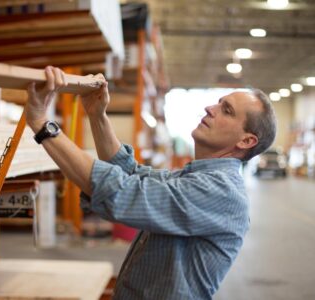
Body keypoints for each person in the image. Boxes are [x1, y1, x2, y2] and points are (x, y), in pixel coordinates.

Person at [25, 66, 277, 300]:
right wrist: (97, 114)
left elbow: (123, 192)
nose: (211, 108)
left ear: (246, 141)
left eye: (227, 110)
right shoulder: (194, 177)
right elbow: (130, 173)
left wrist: (42, 124)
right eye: (219, 102)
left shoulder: (221, 192)